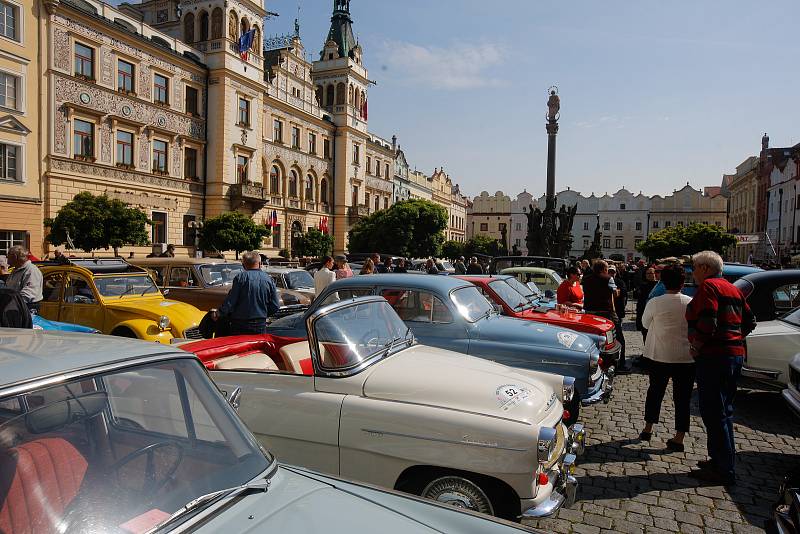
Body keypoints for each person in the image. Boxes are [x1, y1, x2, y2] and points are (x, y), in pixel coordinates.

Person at [685, 251, 755, 485]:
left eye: (694, 267)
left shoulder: (709, 287)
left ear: (705, 268)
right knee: (724, 412)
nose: (692, 273)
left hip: (715, 357)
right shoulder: (732, 287)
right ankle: (721, 459)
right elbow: (750, 321)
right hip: (733, 355)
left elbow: (708, 321)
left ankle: (723, 469)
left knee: (714, 412)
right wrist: (734, 338)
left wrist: (698, 345)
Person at [638, 265, 695, 451]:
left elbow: (645, 323)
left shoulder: (655, 302)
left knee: (655, 392)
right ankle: (679, 436)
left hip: (660, 355)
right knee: (683, 397)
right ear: (682, 283)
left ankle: (648, 428)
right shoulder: (690, 302)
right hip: (685, 357)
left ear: (663, 281)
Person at [215, 251, 280, 335]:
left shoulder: (240, 278)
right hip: (260, 324)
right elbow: (275, 306)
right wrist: (262, 314)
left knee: (240, 347)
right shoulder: (268, 279)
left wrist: (219, 313)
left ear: (243, 265)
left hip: (239, 324)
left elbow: (230, 302)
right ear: (260, 264)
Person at [583, 260, 630, 373]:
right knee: (618, 338)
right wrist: (617, 291)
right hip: (606, 313)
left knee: (594, 340)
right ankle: (620, 364)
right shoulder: (608, 279)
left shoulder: (586, 279)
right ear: (604, 269)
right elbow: (614, 293)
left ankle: (595, 363)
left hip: (589, 312)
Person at [5, 246, 43, 311]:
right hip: (16, 306)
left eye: (8, 257)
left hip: (28, 308)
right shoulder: (15, 270)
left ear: (15, 257)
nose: (7, 261)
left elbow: (29, 293)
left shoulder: (31, 270)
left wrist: (10, 302)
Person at [609, 264, 628, 366]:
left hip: (618, 312)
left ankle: (620, 360)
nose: (611, 274)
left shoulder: (620, 282)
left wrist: (615, 292)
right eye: (610, 272)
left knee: (618, 337)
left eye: (613, 272)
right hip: (609, 313)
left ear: (616, 273)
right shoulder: (606, 281)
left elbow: (623, 292)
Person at [636, 266, 658, 343]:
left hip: (655, 313)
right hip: (644, 312)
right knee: (645, 334)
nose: (648, 275)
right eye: (647, 273)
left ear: (655, 274)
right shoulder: (642, 286)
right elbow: (639, 302)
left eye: (651, 273)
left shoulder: (658, 286)